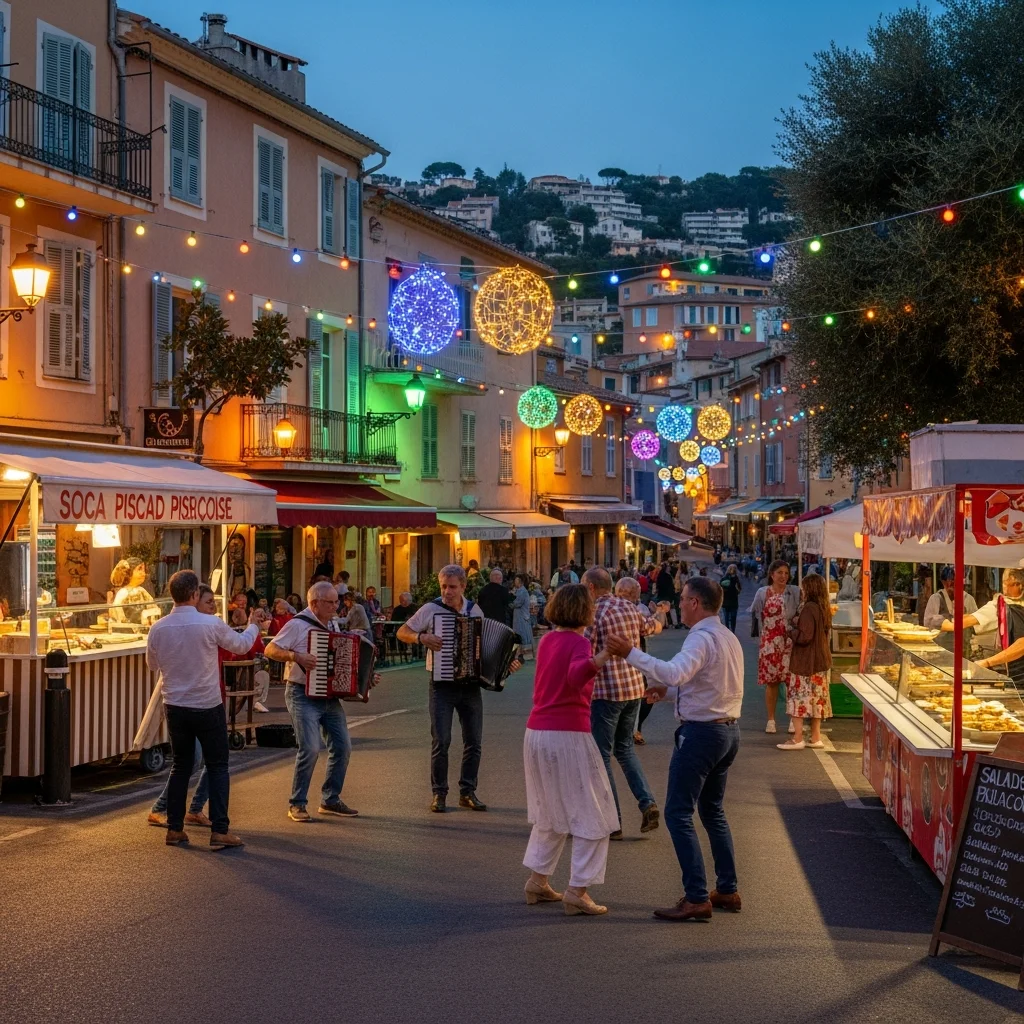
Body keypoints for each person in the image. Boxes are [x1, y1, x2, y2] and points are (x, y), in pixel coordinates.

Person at [606, 576, 743, 921]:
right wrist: (665, 695)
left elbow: (674, 673)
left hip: (702, 736)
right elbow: (709, 686)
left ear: (696, 603)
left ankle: (697, 896)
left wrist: (630, 652)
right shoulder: (726, 636)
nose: (678, 604)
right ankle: (726, 888)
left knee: (678, 813)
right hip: (727, 731)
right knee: (712, 811)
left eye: (683, 599)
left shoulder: (700, 638)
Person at [522, 584, 619, 917]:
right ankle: (578, 890)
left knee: (551, 811)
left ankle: (538, 879)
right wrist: (603, 656)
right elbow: (577, 676)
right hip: (568, 731)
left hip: (537, 731)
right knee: (596, 812)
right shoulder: (580, 642)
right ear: (584, 611)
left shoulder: (547, 640)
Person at [146, 570, 259, 850]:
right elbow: (242, 644)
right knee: (218, 765)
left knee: (180, 766)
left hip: (175, 704)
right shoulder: (211, 624)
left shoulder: (158, 628)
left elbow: (152, 665)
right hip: (207, 704)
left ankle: (174, 828)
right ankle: (220, 830)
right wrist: (254, 624)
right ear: (195, 594)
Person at [396, 565, 489, 812]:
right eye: (443, 587)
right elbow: (402, 632)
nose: (447, 592)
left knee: (474, 741)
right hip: (441, 684)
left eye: (452, 587)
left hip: (470, 685)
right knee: (442, 740)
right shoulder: (431, 609)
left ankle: (467, 792)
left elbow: (484, 647)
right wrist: (421, 638)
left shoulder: (474, 610)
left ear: (463, 587)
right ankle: (439, 794)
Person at [265, 581, 359, 823]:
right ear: (314, 603)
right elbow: (270, 649)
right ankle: (297, 803)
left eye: (336, 601)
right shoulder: (297, 624)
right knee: (310, 748)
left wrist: (364, 679)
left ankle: (330, 799)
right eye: (331, 602)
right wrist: (296, 657)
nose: (336, 606)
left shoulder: (333, 623)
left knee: (343, 746)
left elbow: (339, 662)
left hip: (328, 696)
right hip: (300, 693)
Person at [582, 567, 663, 838]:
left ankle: (612, 820)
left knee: (602, 755)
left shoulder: (594, 615)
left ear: (591, 588)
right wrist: (659, 614)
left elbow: (585, 653)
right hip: (632, 687)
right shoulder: (629, 608)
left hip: (606, 692)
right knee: (625, 749)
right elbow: (653, 627)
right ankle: (647, 801)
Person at [147, 583, 218, 829]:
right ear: (194, 601)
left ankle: (194, 808)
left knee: (209, 760)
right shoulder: (181, 628)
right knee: (191, 760)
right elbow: (155, 664)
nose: (214, 608)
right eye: (209, 603)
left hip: (206, 701)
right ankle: (162, 808)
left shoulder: (208, 627)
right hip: (186, 704)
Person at [777, 573, 833, 750]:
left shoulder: (809, 608)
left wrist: (791, 631)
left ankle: (797, 737)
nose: (802, 590)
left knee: (798, 697)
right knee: (817, 699)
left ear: (810, 589)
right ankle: (816, 737)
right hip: (820, 661)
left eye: (804, 587)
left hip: (805, 661)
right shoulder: (824, 607)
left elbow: (805, 636)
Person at [944, 566, 1024, 683]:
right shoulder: (1002, 604)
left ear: (1019, 585)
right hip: (1013, 672)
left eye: (1009, 584)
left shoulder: (1002, 605)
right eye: (1004, 583)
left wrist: (987, 662)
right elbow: (970, 619)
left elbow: (1021, 644)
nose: (1005, 588)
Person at [750, 560, 801, 735]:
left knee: (790, 683)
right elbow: (756, 613)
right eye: (779, 572)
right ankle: (771, 719)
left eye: (786, 573)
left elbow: (799, 613)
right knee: (771, 683)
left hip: (788, 643)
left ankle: (792, 720)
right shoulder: (762, 593)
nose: (783, 576)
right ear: (772, 574)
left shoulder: (794, 592)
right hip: (770, 643)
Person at [613, 577, 657, 745]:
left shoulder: (607, 609)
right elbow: (653, 627)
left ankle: (632, 729)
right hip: (635, 660)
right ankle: (633, 729)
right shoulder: (637, 610)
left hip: (619, 662)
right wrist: (659, 614)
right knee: (647, 693)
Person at [923, 566, 978, 653]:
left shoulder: (968, 599)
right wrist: (947, 623)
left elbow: (976, 623)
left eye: (953, 583)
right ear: (943, 582)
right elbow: (928, 622)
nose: (950, 587)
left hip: (963, 650)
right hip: (940, 650)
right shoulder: (936, 598)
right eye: (947, 584)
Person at [110, 558, 158, 624]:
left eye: (143, 570)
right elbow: (118, 613)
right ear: (129, 573)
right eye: (139, 569)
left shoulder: (141, 590)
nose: (143, 574)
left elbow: (153, 607)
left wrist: (150, 615)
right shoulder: (123, 593)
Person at [512, 574, 534, 660]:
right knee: (518, 632)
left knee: (521, 632)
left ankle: (523, 653)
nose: (514, 582)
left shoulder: (522, 591)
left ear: (520, 582)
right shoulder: (519, 590)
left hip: (521, 615)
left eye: (516, 581)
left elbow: (517, 603)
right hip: (518, 614)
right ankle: (520, 652)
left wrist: (510, 602)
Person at [655, 560, 680, 628]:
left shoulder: (660, 576)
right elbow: (670, 587)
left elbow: (658, 585)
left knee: (662, 609)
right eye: (668, 567)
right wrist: (672, 595)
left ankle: (663, 623)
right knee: (672, 608)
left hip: (661, 594)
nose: (669, 568)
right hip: (668, 595)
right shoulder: (668, 576)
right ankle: (675, 623)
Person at [719, 564, 742, 633]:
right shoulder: (736, 579)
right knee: (733, 618)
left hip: (725, 602)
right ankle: (732, 631)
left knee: (726, 617)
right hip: (733, 602)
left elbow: (720, 589)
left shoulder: (724, 578)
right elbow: (739, 589)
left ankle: (727, 631)